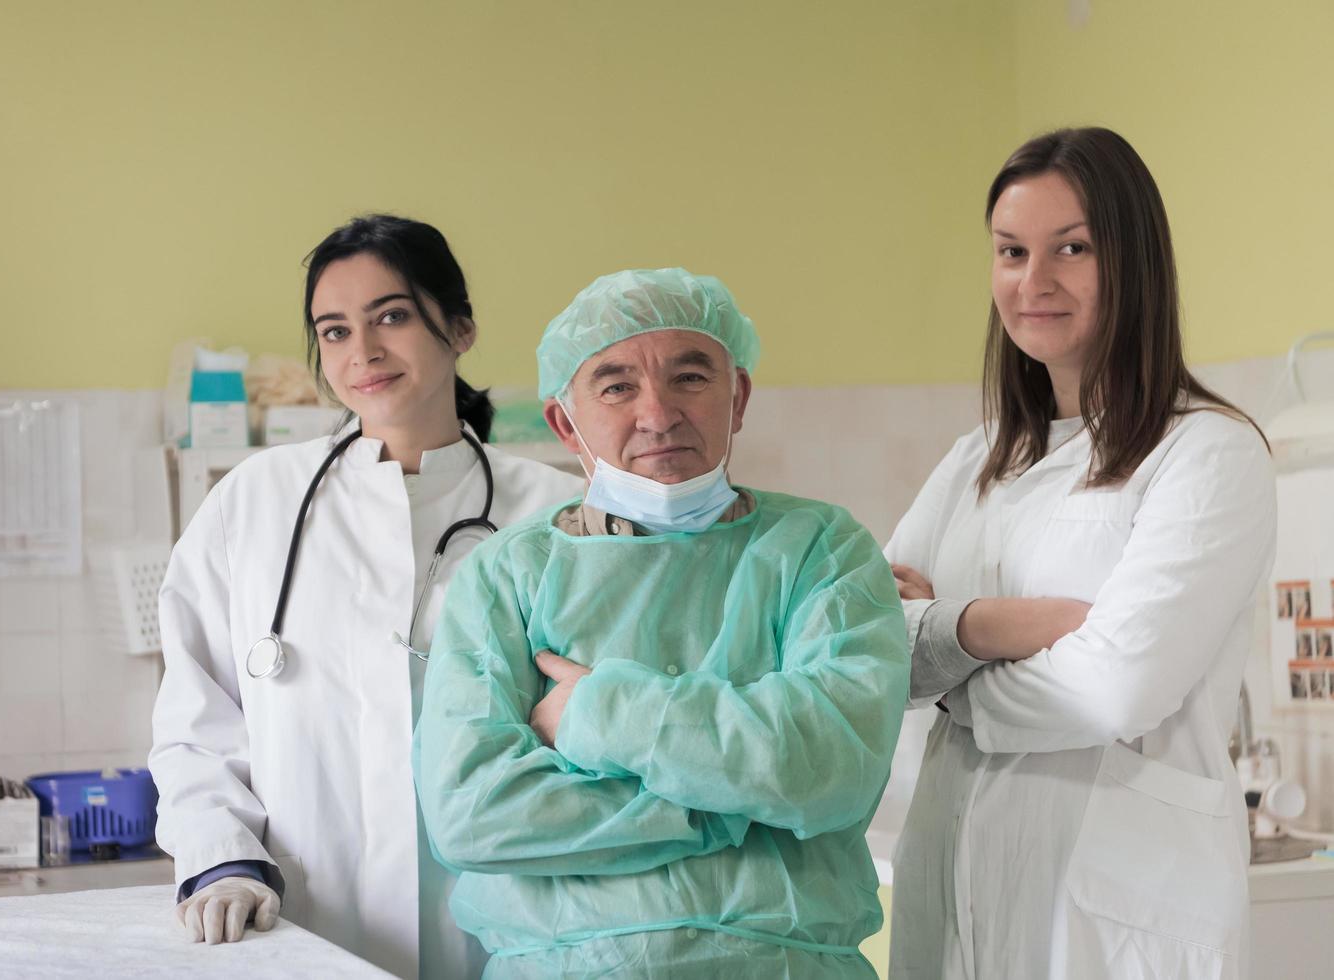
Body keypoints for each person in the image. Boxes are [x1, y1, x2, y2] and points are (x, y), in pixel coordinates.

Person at [413, 268, 909, 978]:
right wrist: (730, 805)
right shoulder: (505, 576)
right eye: (616, 386)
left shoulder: (822, 550)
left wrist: (598, 712)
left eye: (690, 378)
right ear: (565, 421)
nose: (659, 413)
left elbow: (832, 764)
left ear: (736, 398)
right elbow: (473, 812)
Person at [884, 128, 1275, 979]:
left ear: (1131, 261)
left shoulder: (1207, 454)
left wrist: (948, 668)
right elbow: (866, 647)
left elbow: (1113, 689)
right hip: (952, 903)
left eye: (1072, 248)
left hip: (1114, 920)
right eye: (1011, 251)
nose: (1035, 281)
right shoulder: (972, 464)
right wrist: (994, 629)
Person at [148, 214, 583, 978]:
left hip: (510, 932)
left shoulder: (553, 515)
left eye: (392, 316)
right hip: (306, 929)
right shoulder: (252, 505)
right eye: (336, 330)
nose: (364, 352)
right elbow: (196, 720)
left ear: (460, 327)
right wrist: (221, 858)